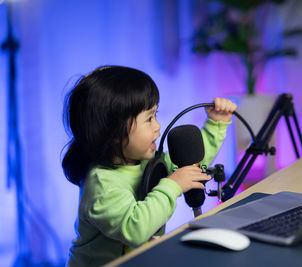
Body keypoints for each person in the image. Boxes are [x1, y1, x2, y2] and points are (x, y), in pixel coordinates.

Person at [62, 65, 237, 266]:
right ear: (114, 133)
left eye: (155, 115)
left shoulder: (147, 161)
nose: (158, 126)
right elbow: (135, 229)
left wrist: (216, 124)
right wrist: (173, 186)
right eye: (149, 118)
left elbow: (190, 166)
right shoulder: (101, 184)